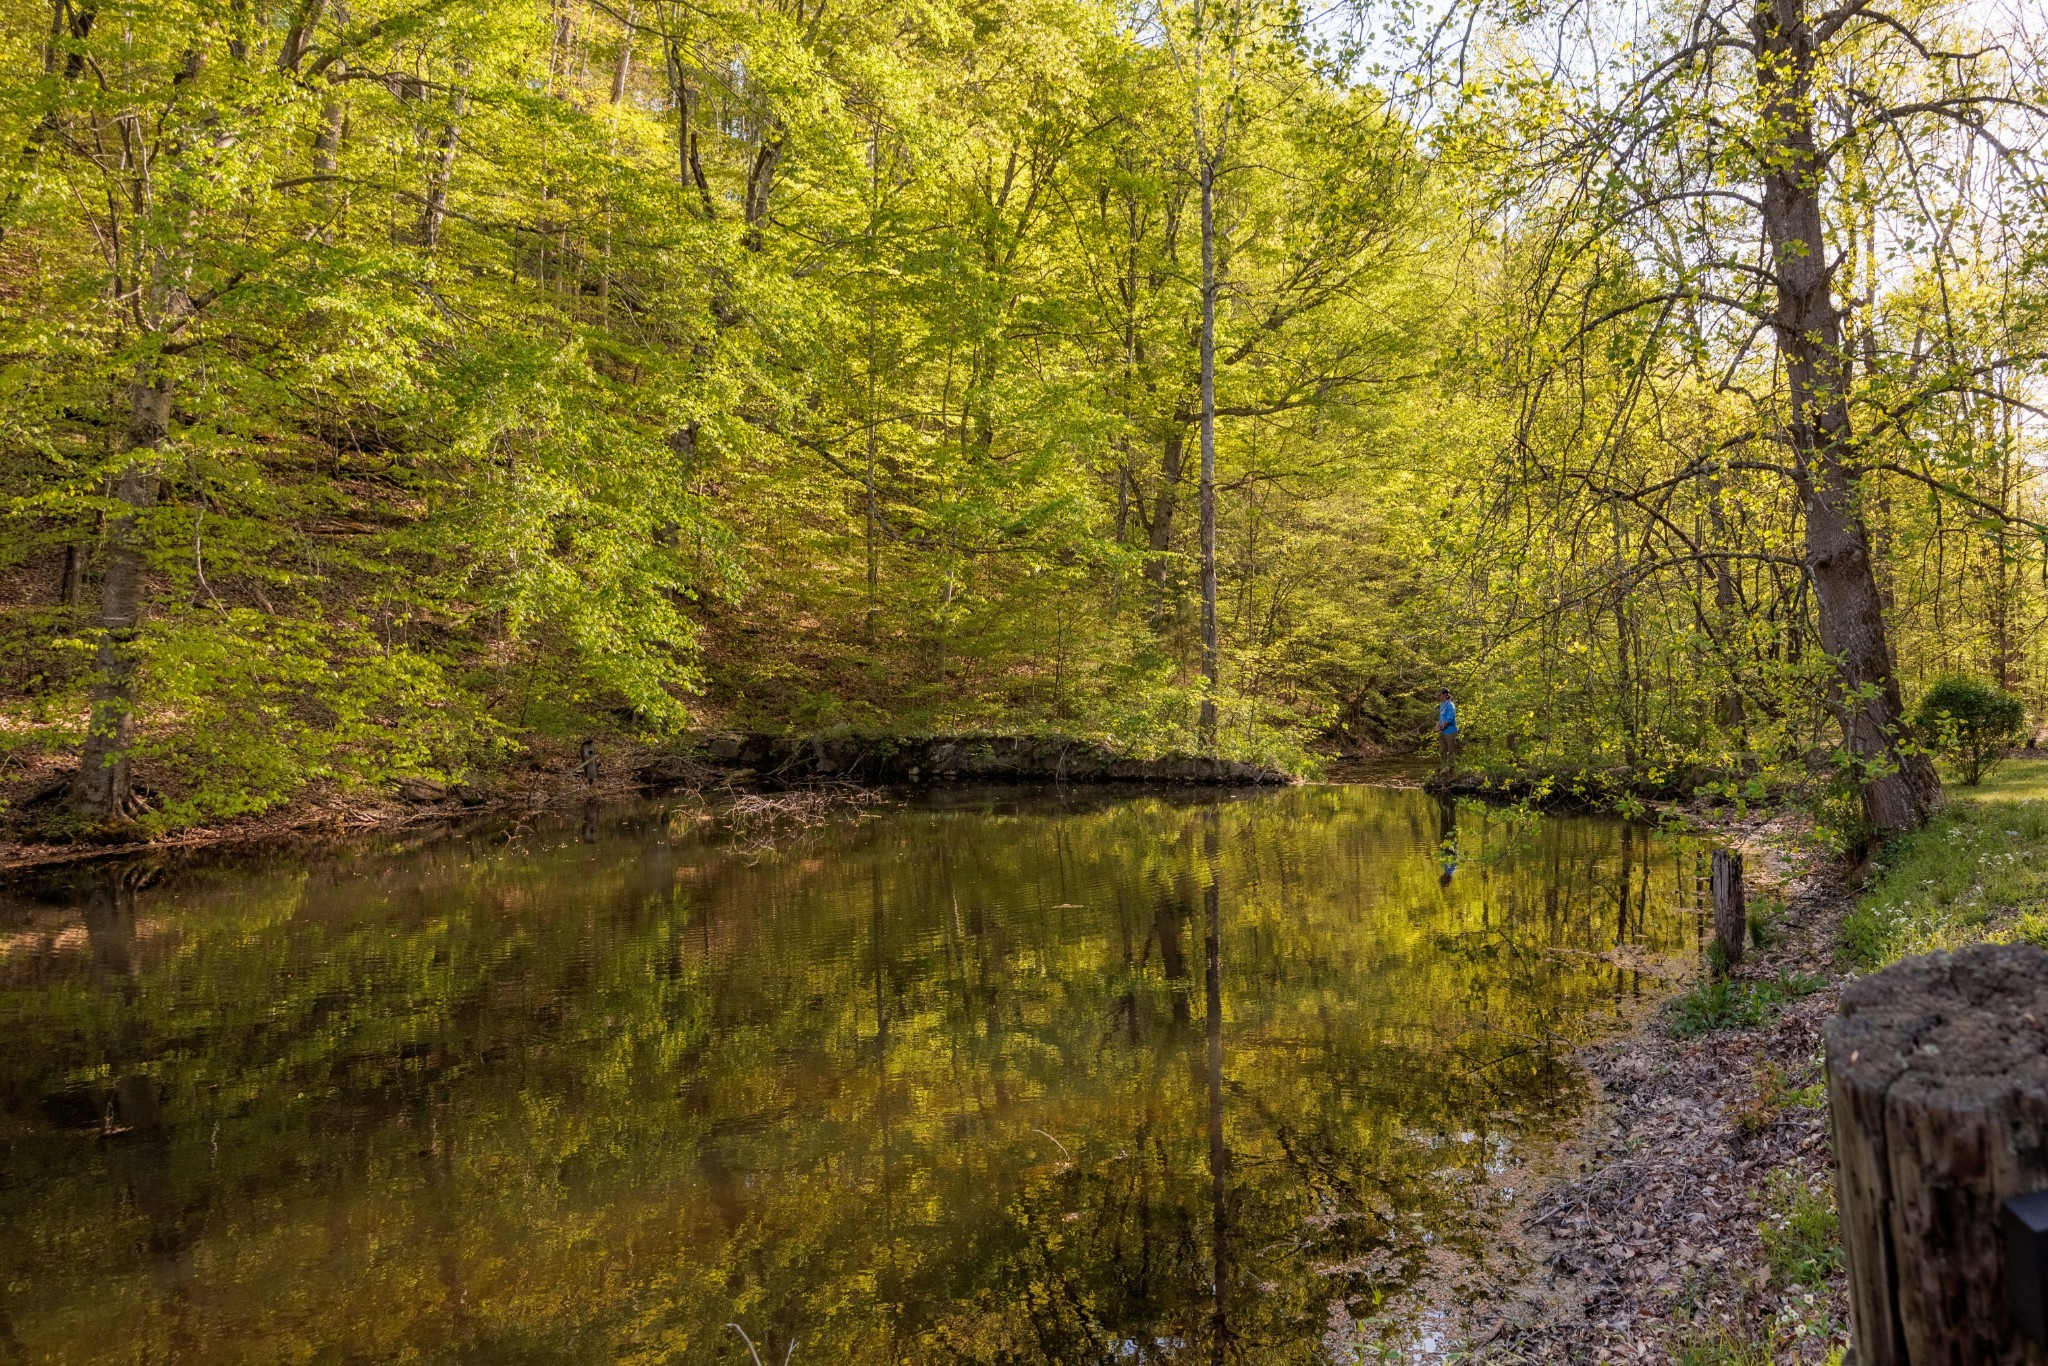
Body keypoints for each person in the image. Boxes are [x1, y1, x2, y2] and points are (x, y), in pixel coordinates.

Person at [1434, 687, 1459, 773]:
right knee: (1442, 751)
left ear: (1445, 695)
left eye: (1440, 694)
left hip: (1450, 732)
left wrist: (1440, 727)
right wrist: (1437, 725)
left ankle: (1451, 770)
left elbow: (1450, 719)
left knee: (1450, 751)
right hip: (1443, 732)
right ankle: (1443, 768)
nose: (1438, 696)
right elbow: (1441, 718)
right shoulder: (1442, 705)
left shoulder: (1450, 705)